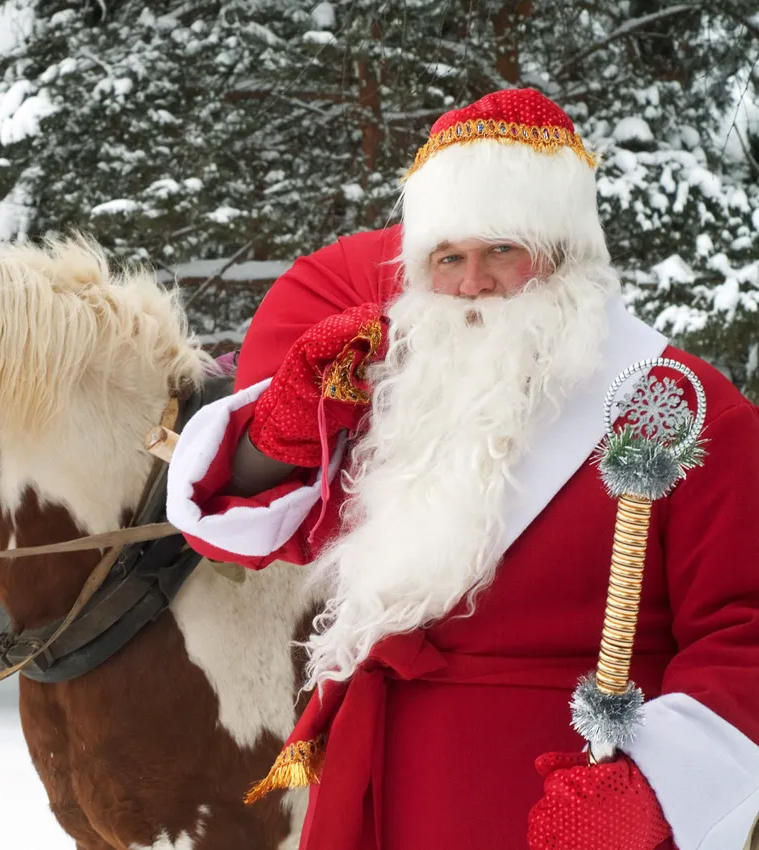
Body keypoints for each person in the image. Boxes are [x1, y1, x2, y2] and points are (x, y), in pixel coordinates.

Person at [165, 88, 759, 850]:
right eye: (449, 258)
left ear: (565, 252)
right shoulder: (402, 397)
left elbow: (746, 633)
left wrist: (653, 789)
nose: (472, 282)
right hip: (376, 796)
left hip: (562, 806)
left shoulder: (681, 407)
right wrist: (280, 430)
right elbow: (243, 533)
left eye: (502, 250)